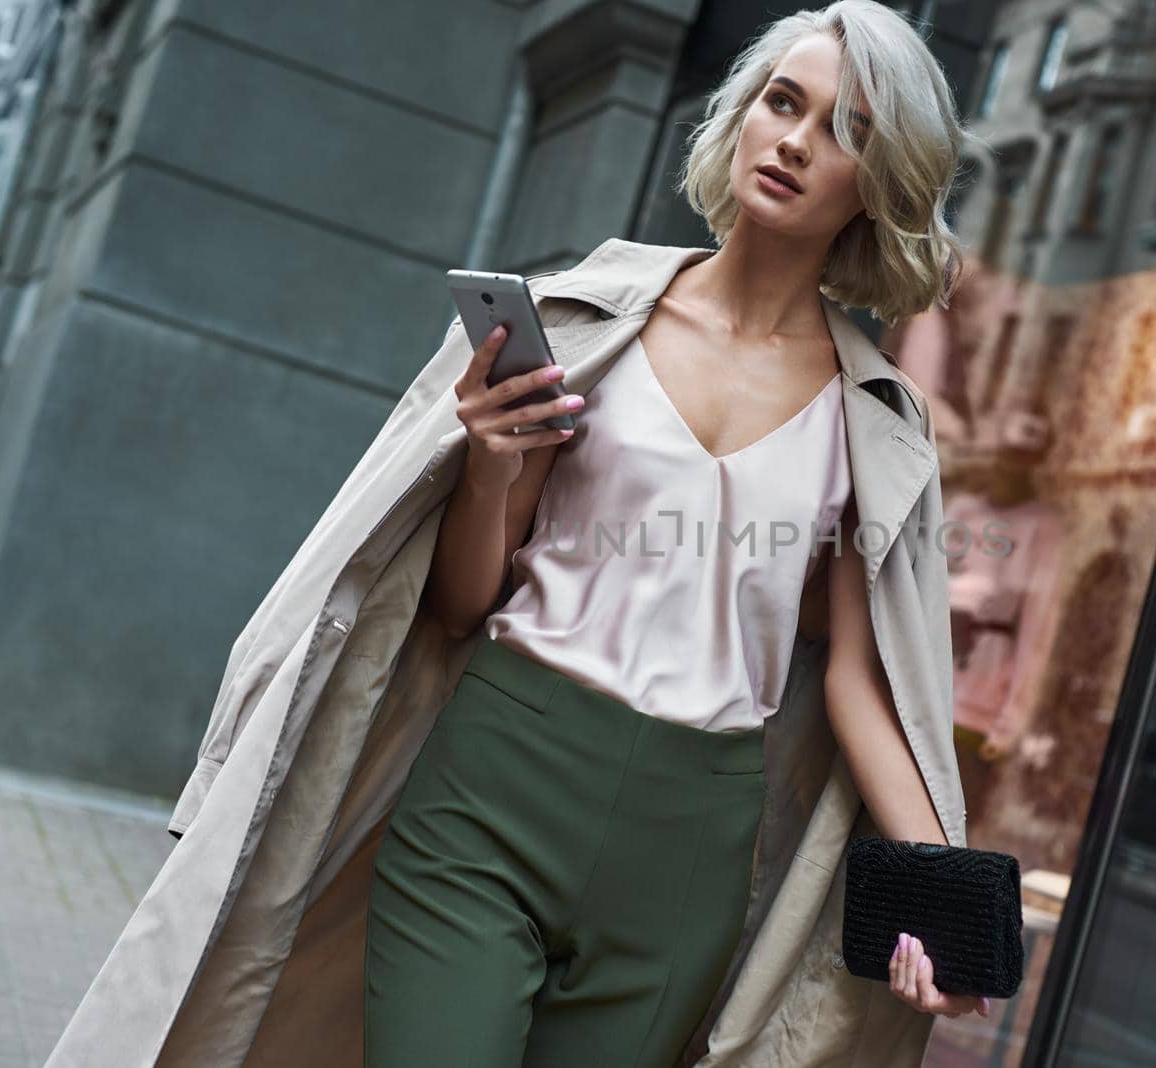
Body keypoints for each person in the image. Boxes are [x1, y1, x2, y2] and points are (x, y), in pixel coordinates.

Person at [360, 3, 989, 1065]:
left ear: (878, 187)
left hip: (689, 846)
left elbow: (858, 679)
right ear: (742, 113)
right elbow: (466, 601)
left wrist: (943, 898)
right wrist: (488, 463)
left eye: (846, 131)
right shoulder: (591, 322)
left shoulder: (872, 416)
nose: (794, 139)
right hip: (493, 784)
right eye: (782, 102)